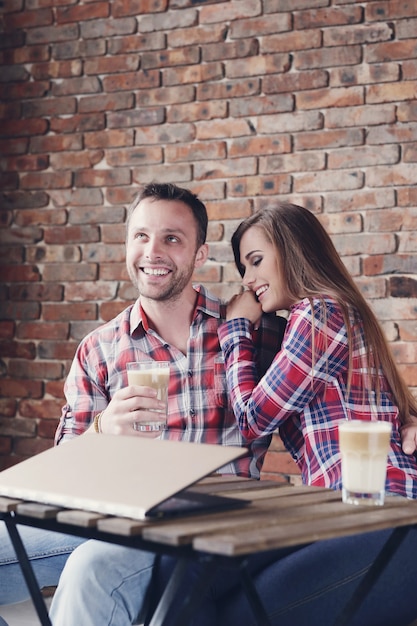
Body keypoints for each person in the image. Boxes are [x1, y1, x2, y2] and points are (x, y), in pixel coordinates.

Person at [0, 183, 285, 625]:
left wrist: (406, 418)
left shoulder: (250, 331)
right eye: (141, 236)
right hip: (115, 515)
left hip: (204, 523)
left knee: (89, 571)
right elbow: (62, 473)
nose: (153, 251)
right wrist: (102, 431)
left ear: (200, 254)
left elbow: (333, 386)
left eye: (172, 238)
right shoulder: (99, 348)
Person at [148, 202, 417, 626]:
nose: (248, 280)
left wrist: (234, 327)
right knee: (182, 568)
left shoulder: (322, 313)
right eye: (243, 267)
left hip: (381, 520)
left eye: (256, 262)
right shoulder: (309, 319)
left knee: (228, 608)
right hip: (339, 513)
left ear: (294, 251)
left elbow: (254, 419)